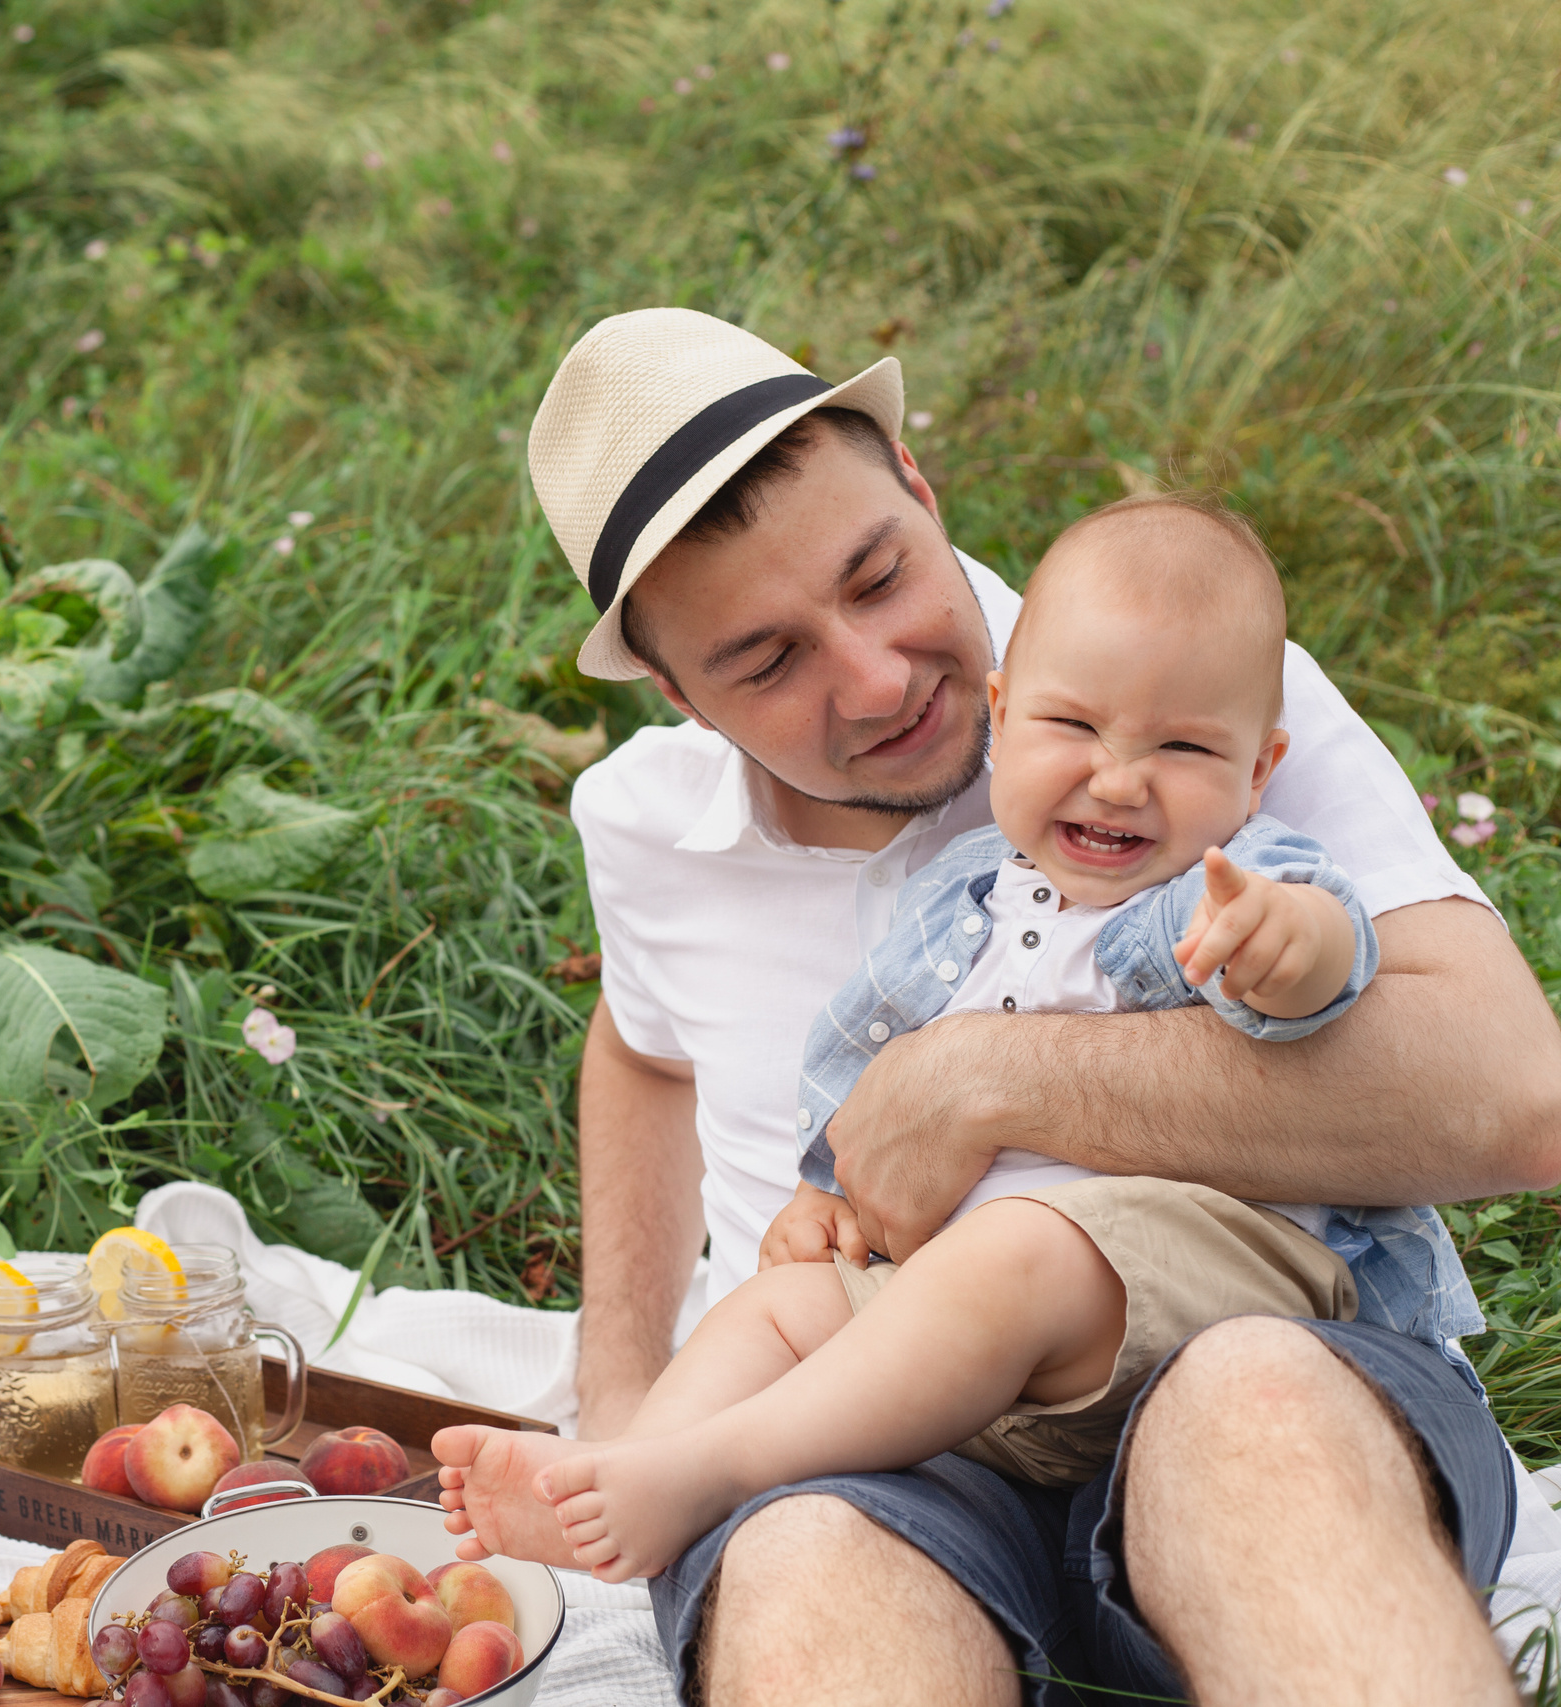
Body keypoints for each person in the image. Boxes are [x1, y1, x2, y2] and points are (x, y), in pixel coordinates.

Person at [447, 308, 1561, 1703]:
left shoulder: (1166, 679)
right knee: (807, 1570)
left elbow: (1521, 1102)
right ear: (676, 693)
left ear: (920, 485)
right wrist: (620, 1382)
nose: (876, 679)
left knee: (1255, 1421)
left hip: (1234, 1351)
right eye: (765, 661)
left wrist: (985, 1080)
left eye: (876, 576)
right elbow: (642, 1042)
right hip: (849, 1440)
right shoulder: (642, 824)